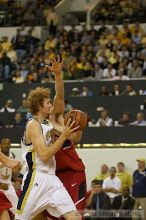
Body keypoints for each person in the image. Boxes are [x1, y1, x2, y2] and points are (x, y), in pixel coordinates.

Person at [15, 56, 81, 220]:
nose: (52, 105)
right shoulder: (33, 125)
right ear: (39, 106)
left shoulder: (49, 123)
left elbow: (60, 97)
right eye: (48, 103)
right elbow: (44, 155)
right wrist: (63, 136)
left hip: (52, 180)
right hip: (35, 179)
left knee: (75, 217)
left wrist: (58, 75)